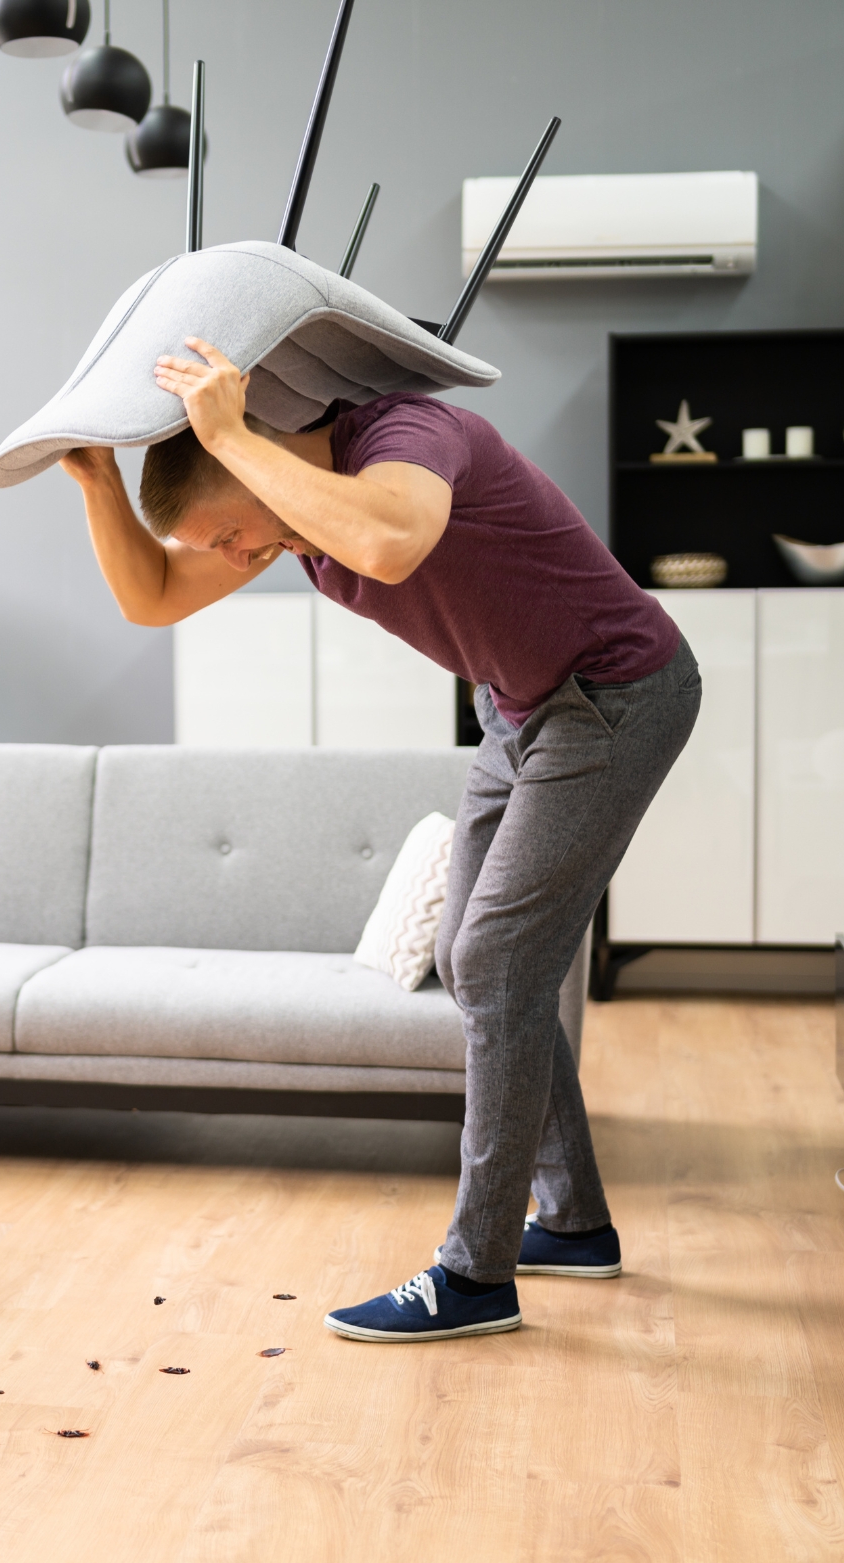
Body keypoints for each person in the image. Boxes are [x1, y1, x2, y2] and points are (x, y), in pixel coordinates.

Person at [58, 337, 700, 1342]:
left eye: (226, 533)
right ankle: (571, 1223)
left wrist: (229, 433)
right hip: (521, 709)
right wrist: (98, 482)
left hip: (616, 692)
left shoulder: (408, 436)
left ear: (252, 455)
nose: (232, 559)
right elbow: (153, 597)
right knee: (479, 963)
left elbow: (395, 541)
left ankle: (476, 1275)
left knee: (493, 962)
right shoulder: (289, 525)